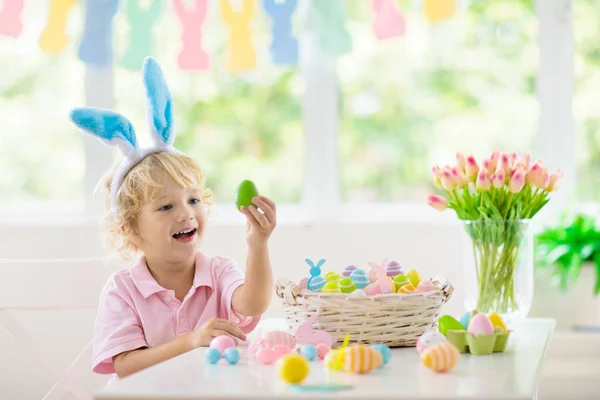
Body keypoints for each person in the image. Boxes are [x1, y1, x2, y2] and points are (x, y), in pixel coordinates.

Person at [69, 57, 276, 379]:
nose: (186, 213)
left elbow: (253, 305)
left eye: (193, 199)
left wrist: (258, 245)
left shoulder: (220, 273)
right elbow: (125, 364)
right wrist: (191, 341)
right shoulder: (123, 290)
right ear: (131, 230)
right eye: (166, 207)